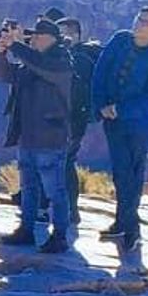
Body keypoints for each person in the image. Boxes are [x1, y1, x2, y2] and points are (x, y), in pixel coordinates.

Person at [90, 5, 148, 253]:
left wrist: (120, 109)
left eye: (146, 22)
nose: (139, 24)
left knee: (132, 175)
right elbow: (100, 73)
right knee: (120, 172)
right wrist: (101, 106)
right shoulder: (119, 40)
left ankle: (131, 229)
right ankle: (121, 223)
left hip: (138, 123)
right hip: (112, 119)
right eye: (139, 18)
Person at [0, 17, 75, 252]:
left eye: (38, 35)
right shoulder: (30, 63)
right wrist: (1, 52)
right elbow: (5, 74)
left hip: (50, 138)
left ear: (52, 39)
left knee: (55, 190)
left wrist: (16, 45)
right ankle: (26, 230)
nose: (34, 39)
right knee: (28, 188)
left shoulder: (61, 62)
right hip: (27, 136)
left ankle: (60, 236)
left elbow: (42, 66)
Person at [57, 16, 103, 227]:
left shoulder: (80, 59)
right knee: (64, 162)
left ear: (75, 34)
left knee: (65, 163)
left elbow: (76, 92)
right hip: (71, 118)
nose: (60, 38)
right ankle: (67, 209)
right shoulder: (71, 55)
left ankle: (71, 210)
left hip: (73, 120)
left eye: (63, 33)